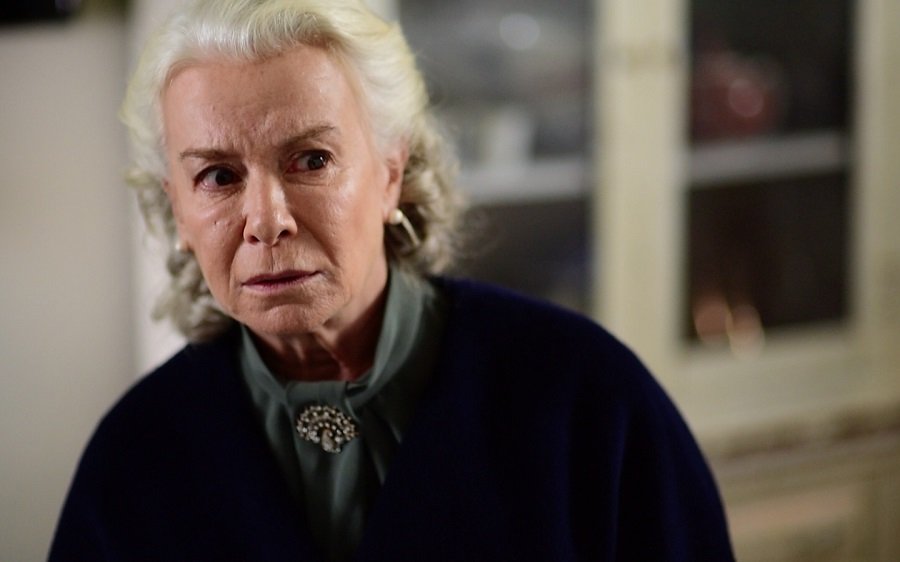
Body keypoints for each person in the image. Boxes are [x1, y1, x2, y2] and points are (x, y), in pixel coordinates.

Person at [49, 0, 734, 560]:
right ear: (177, 210)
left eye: (311, 160)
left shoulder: (587, 399)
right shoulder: (133, 459)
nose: (267, 220)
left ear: (390, 173)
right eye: (218, 176)